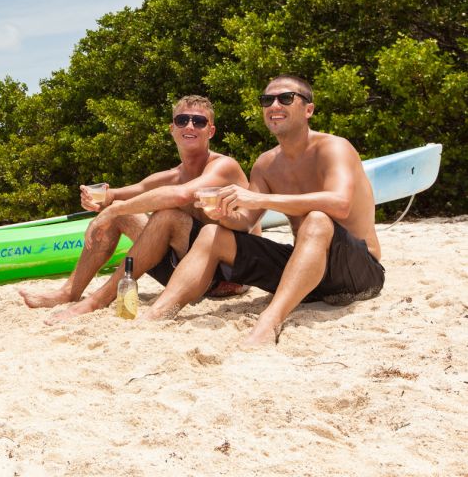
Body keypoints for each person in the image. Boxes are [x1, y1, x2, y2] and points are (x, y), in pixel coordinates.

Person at [142, 75, 385, 348]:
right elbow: (245, 222)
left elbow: (339, 203)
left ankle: (269, 321)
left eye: (285, 98)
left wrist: (256, 198)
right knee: (212, 233)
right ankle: (157, 313)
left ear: (309, 109)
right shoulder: (265, 164)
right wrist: (222, 214)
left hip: (358, 271)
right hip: (306, 273)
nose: (274, 105)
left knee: (317, 219)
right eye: (267, 100)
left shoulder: (333, 147)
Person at [18, 95, 255, 323]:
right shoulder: (172, 175)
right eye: (182, 120)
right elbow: (124, 193)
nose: (190, 125)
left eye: (199, 121)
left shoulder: (224, 166)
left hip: (228, 275)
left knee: (166, 216)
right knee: (123, 210)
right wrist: (100, 199)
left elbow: (182, 194)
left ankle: (97, 300)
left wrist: (113, 210)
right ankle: (69, 291)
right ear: (172, 128)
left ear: (210, 131)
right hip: (186, 273)